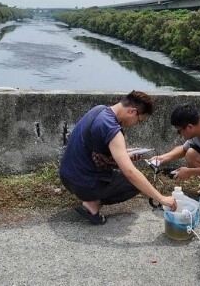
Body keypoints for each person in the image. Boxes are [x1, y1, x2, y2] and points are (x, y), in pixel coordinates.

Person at [59, 90, 176, 225]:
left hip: (67, 176)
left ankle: (90, 197)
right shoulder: (112, 128)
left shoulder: (100, 110)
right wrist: (161, 198)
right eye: (139, 121)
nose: (135, 124)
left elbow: (96, 150)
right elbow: (131, 173)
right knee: (133, 184)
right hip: (82, 183)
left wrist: (125, 153)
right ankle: (92, 203)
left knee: (126, 175)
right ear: (132, 111)